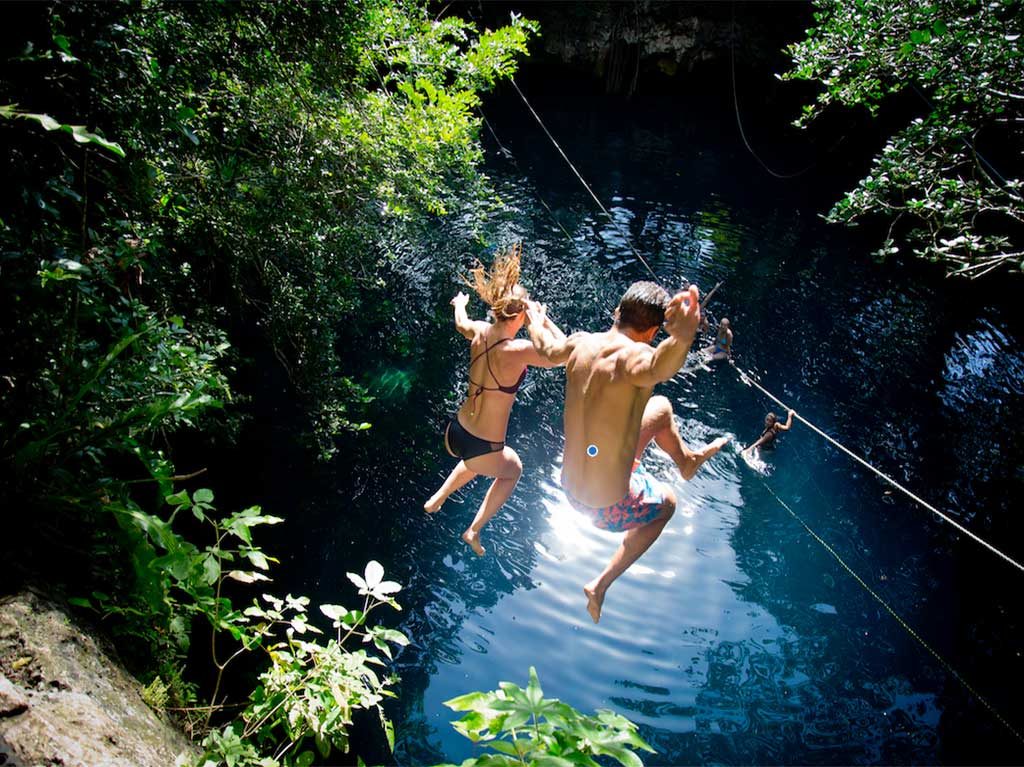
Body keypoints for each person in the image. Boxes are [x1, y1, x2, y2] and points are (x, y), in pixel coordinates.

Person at [527, 282, 730, 623]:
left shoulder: (579, 343)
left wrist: (535, 321)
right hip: (604, 507)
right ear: (652, 332)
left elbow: (547, 350)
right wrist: (682, 338)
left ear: (616, 312)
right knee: (667, 505)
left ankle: (687, 462)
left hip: (569, 485)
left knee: (661, 408)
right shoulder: (635, 358)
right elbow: (658, 368)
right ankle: (600, 584)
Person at [424, 245, 565, 557]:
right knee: (512, 468)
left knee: (480, 460)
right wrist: (542, 322)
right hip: (480, 446)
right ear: (520, 315)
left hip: (455, 432)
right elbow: (563, 353)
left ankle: (438, 497)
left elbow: (461, 322)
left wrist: (460, 303)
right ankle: (473, 530)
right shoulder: (516, 352)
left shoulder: (480, 330)